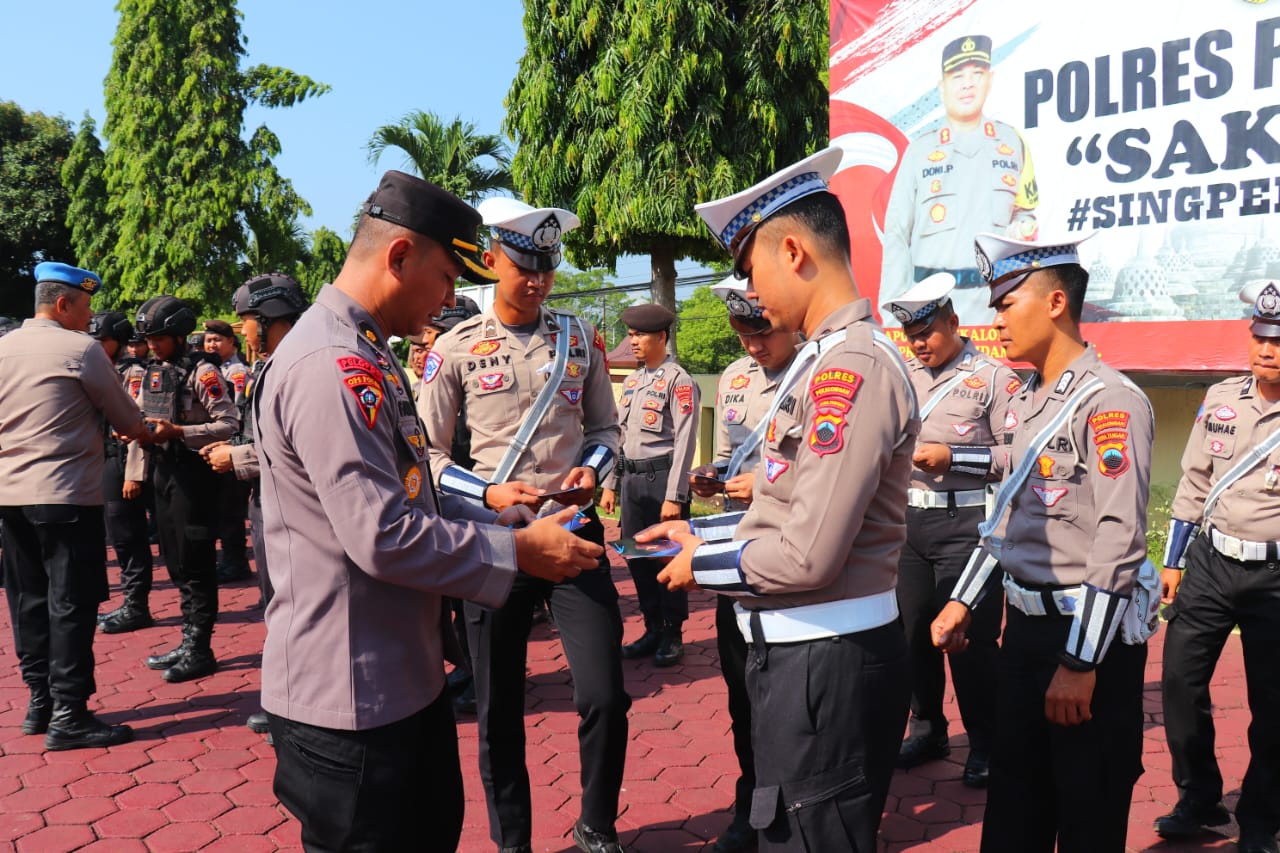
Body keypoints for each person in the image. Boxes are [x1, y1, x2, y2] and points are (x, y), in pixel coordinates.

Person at [254, 170, 604, 852]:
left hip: (401, 679)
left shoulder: (366, 352)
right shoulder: (332, 362)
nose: (451, 297)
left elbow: (412, 487)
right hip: (350, 698)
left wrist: (499, 522)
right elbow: (382, 536)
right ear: (399, 255)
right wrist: (518, 553)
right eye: (446, 276)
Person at [646, 146, 917, 852]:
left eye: (750, 269)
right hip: (802, 658)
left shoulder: (849, 367)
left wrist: (699, 567)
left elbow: (808, 553)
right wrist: (703, 540)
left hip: (828, 662)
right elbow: (790, 506)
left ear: (793, 250)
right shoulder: (821, 359)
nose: (751, 292)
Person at [931, 232, 1155, 852]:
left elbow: (1119, 538)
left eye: (1006, 304)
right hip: (1024, 636)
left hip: (1086, 640)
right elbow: (1007, 519)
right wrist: (962, 601)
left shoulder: (1110, 401)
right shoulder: (1025, 401)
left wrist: (1080, 663)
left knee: (1087, 813)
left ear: (1056, 303)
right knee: (1014, 809)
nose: (994, 319)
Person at [419, 196, 630, 853]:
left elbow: (605, 428)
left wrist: (593, 469)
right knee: (498, 711)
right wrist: (483, 489)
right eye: (522, 264)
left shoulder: (578, 337)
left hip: (571, 531)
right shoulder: (455, 347)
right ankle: (513, 842)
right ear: (493, 261)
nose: (536, 278)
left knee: (605, 692)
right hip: (497, 539)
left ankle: (596, 822)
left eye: (547, 264)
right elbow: (425, 453)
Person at [0, 262, 148, 750]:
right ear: (62, 304)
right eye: (84, 308)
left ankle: (38, 703)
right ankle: (70, 715)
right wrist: (147, 432)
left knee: (27, 602)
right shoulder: (79, 349)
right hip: (66, 495)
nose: (89, 319)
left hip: (10, 497)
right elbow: (128, 420)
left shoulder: (3, 348)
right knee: (72, 605)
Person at [1155, 282, 1280, 853]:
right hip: (1211, 560)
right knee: (1179, 680)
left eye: (1277, 341)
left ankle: (1259, 821)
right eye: (1259, 337)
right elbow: (1195, 481)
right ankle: (1199, 797)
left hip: (1275, 578)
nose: (1266, 350)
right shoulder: (1223, 398)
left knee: (1273, 706)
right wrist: (1173, 559)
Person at [880, 273, 1019, 787]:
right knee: (912, 633)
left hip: (968, 524)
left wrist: (953, 456)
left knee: (969, 641)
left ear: (954, 322)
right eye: (910, 335)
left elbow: (1017, 457)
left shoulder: (995, 379)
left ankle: (986, 742)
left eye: (928, 332)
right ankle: (929, 729)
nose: (919, 344)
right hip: (908, 524)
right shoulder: (902, 376)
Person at [688, 276, 801, 853]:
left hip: (799, 560)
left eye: (763, 332)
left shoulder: (822, 376)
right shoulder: (734, 378)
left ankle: (796, 813)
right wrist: (715, 472)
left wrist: (760, 483)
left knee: (793, 700)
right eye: (742, 334)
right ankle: (751, 803)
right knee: (742, 691)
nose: (753, 346)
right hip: (739, 556)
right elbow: (737, 450)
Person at [202, 272, 310, 736]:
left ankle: (299, 705)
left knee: (295, 606)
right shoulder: (272, 363)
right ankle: (289, 698)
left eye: (246, 320)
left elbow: (300, 445)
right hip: (267, 499)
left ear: (268, 318)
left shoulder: (301, 365)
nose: (242, 330)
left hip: (293, 505)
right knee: (276, 605)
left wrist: (237, 456)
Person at [880, 34, 1038, 324]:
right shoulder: (919, 152)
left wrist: (1023, 227)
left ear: (989, 80)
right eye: (957, 76)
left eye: (977, 74)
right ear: (942, 87)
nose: (968, 84)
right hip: (932, 311)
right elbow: (896, 235)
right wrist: (894, 317)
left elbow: (1027, 214)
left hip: (995, 309)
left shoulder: (1013, 143)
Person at [135, 295, 238, 683]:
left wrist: (181, 432)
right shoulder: (154, 371)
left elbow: (229, 423)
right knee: (174, 558)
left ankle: (201, 647)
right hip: (162, 472)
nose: (153, 344)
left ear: (178, 334)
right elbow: (143, 412)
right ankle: (187, 637)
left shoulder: (204, 372)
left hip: (195, 475)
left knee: (196, 560)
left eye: (160, 337)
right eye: (149, 338)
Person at [599, 303, 700, 666]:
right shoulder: (632, 381)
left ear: (661, 336)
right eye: (630, 335)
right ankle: (652, 627)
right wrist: (610, 483)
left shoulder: (679, 380)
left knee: (667, 556)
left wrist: (676, 495)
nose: (633, 342)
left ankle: (673, 632)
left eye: (639, 335)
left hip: (662, 482)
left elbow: (686, 440)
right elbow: (620, 436)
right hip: (632, 482)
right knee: (638, 559)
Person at [91, 311, 156, 634]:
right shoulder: (103, 369)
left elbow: (135, 422)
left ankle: (136, 605)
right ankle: (131, 601)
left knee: (129, 536)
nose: (97, 346)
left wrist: (133, 472)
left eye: (103, 340)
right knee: (117, 535)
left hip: (124, 460)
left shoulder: (133, 373)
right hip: (105, 460)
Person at [203, 319, 252, 583]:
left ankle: (236, 563)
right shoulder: (212, 367)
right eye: (209, 340)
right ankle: (230, 559)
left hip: (234, 443)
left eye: (217, 339)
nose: (211, 344)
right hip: (220, 445)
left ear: (232, 342)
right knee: (221, 507)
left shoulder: (237, 372)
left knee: (231, 508)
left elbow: (236, 410)